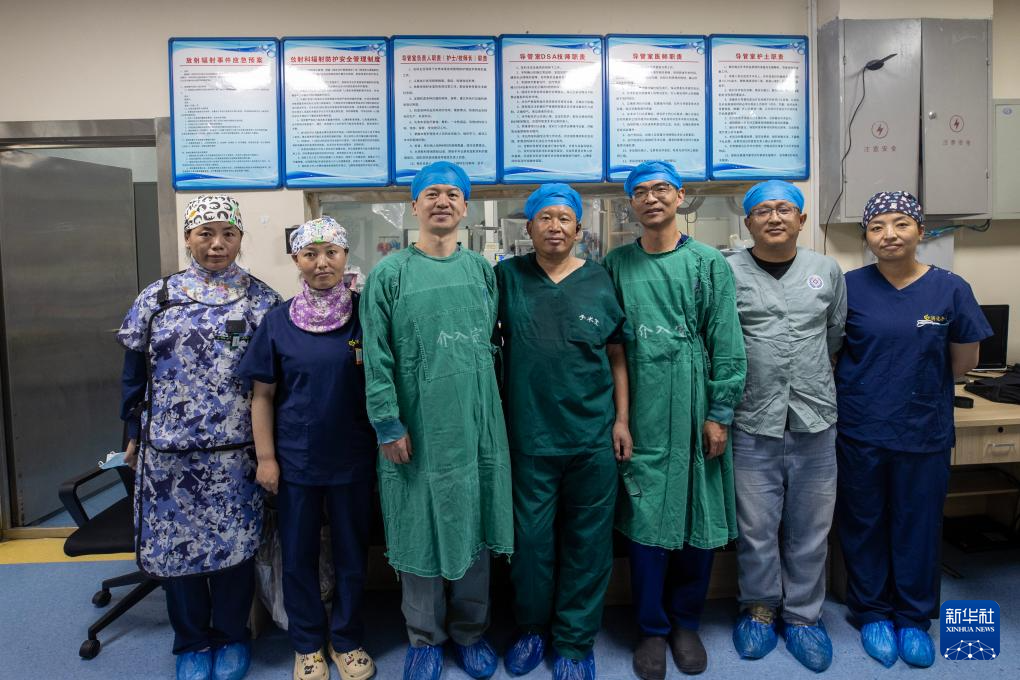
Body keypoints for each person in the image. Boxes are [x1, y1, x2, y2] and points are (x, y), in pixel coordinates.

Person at [118, 195, 281, 680]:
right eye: (205, 233)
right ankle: (190, 641)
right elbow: (134, 373)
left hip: (237, 454)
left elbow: (277, 382)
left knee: (234, 549)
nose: (217, 244)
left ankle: (231, 636)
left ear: (240, 239)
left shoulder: (262, 301)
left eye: (228, 234)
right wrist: (132, 431)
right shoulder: (158, 298)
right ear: (188, 237)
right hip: (167, 452)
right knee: (177, 552)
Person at [360, 161, 513, 680]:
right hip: (417, 428)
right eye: (431, 194)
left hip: (476, 423)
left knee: (474, 521)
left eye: (452, 193)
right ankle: (424, 637)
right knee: (419, 526)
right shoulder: (390, 275)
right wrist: (388, 423)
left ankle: (471, 631)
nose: (442, 201)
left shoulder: (482, 272)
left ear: (465, 207)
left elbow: (489, 345)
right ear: (415, 206)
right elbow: (377, 355)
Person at [835, 191, 991, 668]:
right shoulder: (849, 287)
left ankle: (913, 618)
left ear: (921, 231)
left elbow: (963, 363)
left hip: (923, 431)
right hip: (861, 428)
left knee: (918, 526)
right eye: (877, 226)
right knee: (863, 523)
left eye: (901, 223)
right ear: (866, 236)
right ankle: (872, 613)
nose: (889, 234)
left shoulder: (951, 289)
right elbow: (833, 353)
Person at [603, 161, 746, 679]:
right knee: (646, 519)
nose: (651, 198)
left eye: (661, 188)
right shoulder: (616, 265)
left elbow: (726, 342)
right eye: (640, 191)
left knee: (696, 515)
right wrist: (620, 417)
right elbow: (612, 348)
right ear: (630, 204)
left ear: (680, 196)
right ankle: (651, 628)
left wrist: (719, 413)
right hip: (641, 406)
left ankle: (686, 622)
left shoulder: (708, 263)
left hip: (693, 405)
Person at [496, 184, 633, 680]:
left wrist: (621, 420)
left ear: (578, 229)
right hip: (529, 437)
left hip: (592, 437)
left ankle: (574, 642)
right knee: (530, 543)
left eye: (564, 219)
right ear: (529, 227)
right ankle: (533, 629)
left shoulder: (600, 279)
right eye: (545, 218)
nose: (555, 227)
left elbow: (617, 355)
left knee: (588, 542)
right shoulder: (507, 277)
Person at [239, 217, 377, 680]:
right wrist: (266, 458)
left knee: (352, 554)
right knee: (297, 555)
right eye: (310, 254)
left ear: (345, 256)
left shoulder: (367, 315)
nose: (322, 263)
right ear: (296, 260)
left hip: (354, 458)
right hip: (296, 460)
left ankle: (347, 640)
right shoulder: (278, 322)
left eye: (331, 252)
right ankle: (306, 644)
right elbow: (262, 396)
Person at [727, 181, 846, 672]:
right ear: (748, 222)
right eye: (762, 211)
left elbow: (835, 333)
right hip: (752, 418)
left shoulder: (827, 270)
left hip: (815, 418)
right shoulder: (727, 271)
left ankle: (803, 617)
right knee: (755, 528)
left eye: (784, 209)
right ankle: (758, 609)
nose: (774, 217)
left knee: (811, 528)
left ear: (801, 219)